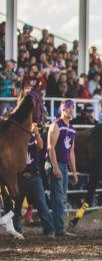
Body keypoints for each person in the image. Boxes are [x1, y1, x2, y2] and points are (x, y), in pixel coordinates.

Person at [12, 122, 55, 236]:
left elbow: (40, 146)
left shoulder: (33, 136)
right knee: (17, 205)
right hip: (19, 176)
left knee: (42, 204)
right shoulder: (17, 136)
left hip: (34, 175)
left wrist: (36, 133)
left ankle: (49, 229)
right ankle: (16, 230)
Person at [46, 99, 78, 237]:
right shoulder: (56, 125)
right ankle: (57, 229)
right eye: (68, 107)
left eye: (72, 107)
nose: (70, 109)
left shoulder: (72, 128)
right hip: (55, 163)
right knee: (58, 198)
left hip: (63, 165)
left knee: (62, 197)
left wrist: (74, 172)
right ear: (62, 109)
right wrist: (55, 167)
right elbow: (50, 147)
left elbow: (71, 152)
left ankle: (56, 228)